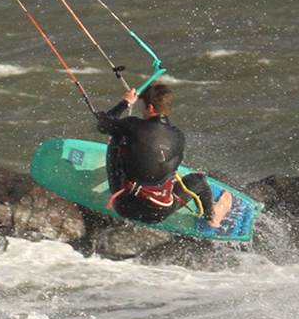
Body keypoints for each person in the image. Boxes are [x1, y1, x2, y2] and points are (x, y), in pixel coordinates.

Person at [93, 81, 233, 228]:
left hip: (125, 206)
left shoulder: (132, 125)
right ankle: (211, 217)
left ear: (150, 107)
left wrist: (125, 103)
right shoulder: (178, 136)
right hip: (159, 213)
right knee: (199, 180)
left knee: (117, 137)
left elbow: (103, 124)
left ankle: (120, 190)